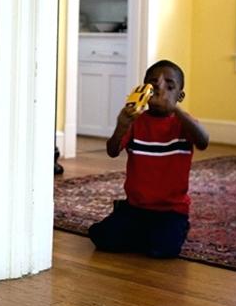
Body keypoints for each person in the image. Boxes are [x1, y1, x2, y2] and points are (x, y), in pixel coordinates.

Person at [87, 59, 209, 258]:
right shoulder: (135, 122)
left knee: (163, 250)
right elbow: (112, 151)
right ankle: (128, 220)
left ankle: (166, 231)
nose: (160, 89)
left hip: (171, 210)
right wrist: (121, 125)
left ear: (180, 96)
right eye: (153, 84)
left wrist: (175, 110)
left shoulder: (183, 123)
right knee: (102, 238)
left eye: (169, 86)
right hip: (136, 207)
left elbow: (203, 141)